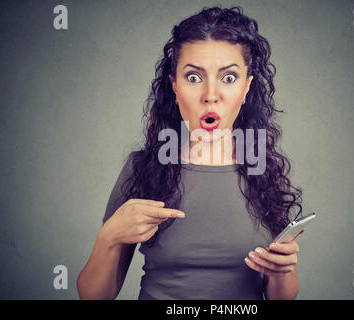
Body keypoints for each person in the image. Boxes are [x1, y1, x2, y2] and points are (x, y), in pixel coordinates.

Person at [77, 6, 304, 300]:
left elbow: (282, 298)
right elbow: (94, 296)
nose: (211, 94)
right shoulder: (143, 168)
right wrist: (107, 238)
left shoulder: (266, 171)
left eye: (229, 78)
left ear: (247, 87)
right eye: (194, 77)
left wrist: (283, 272)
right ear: (174, 86)